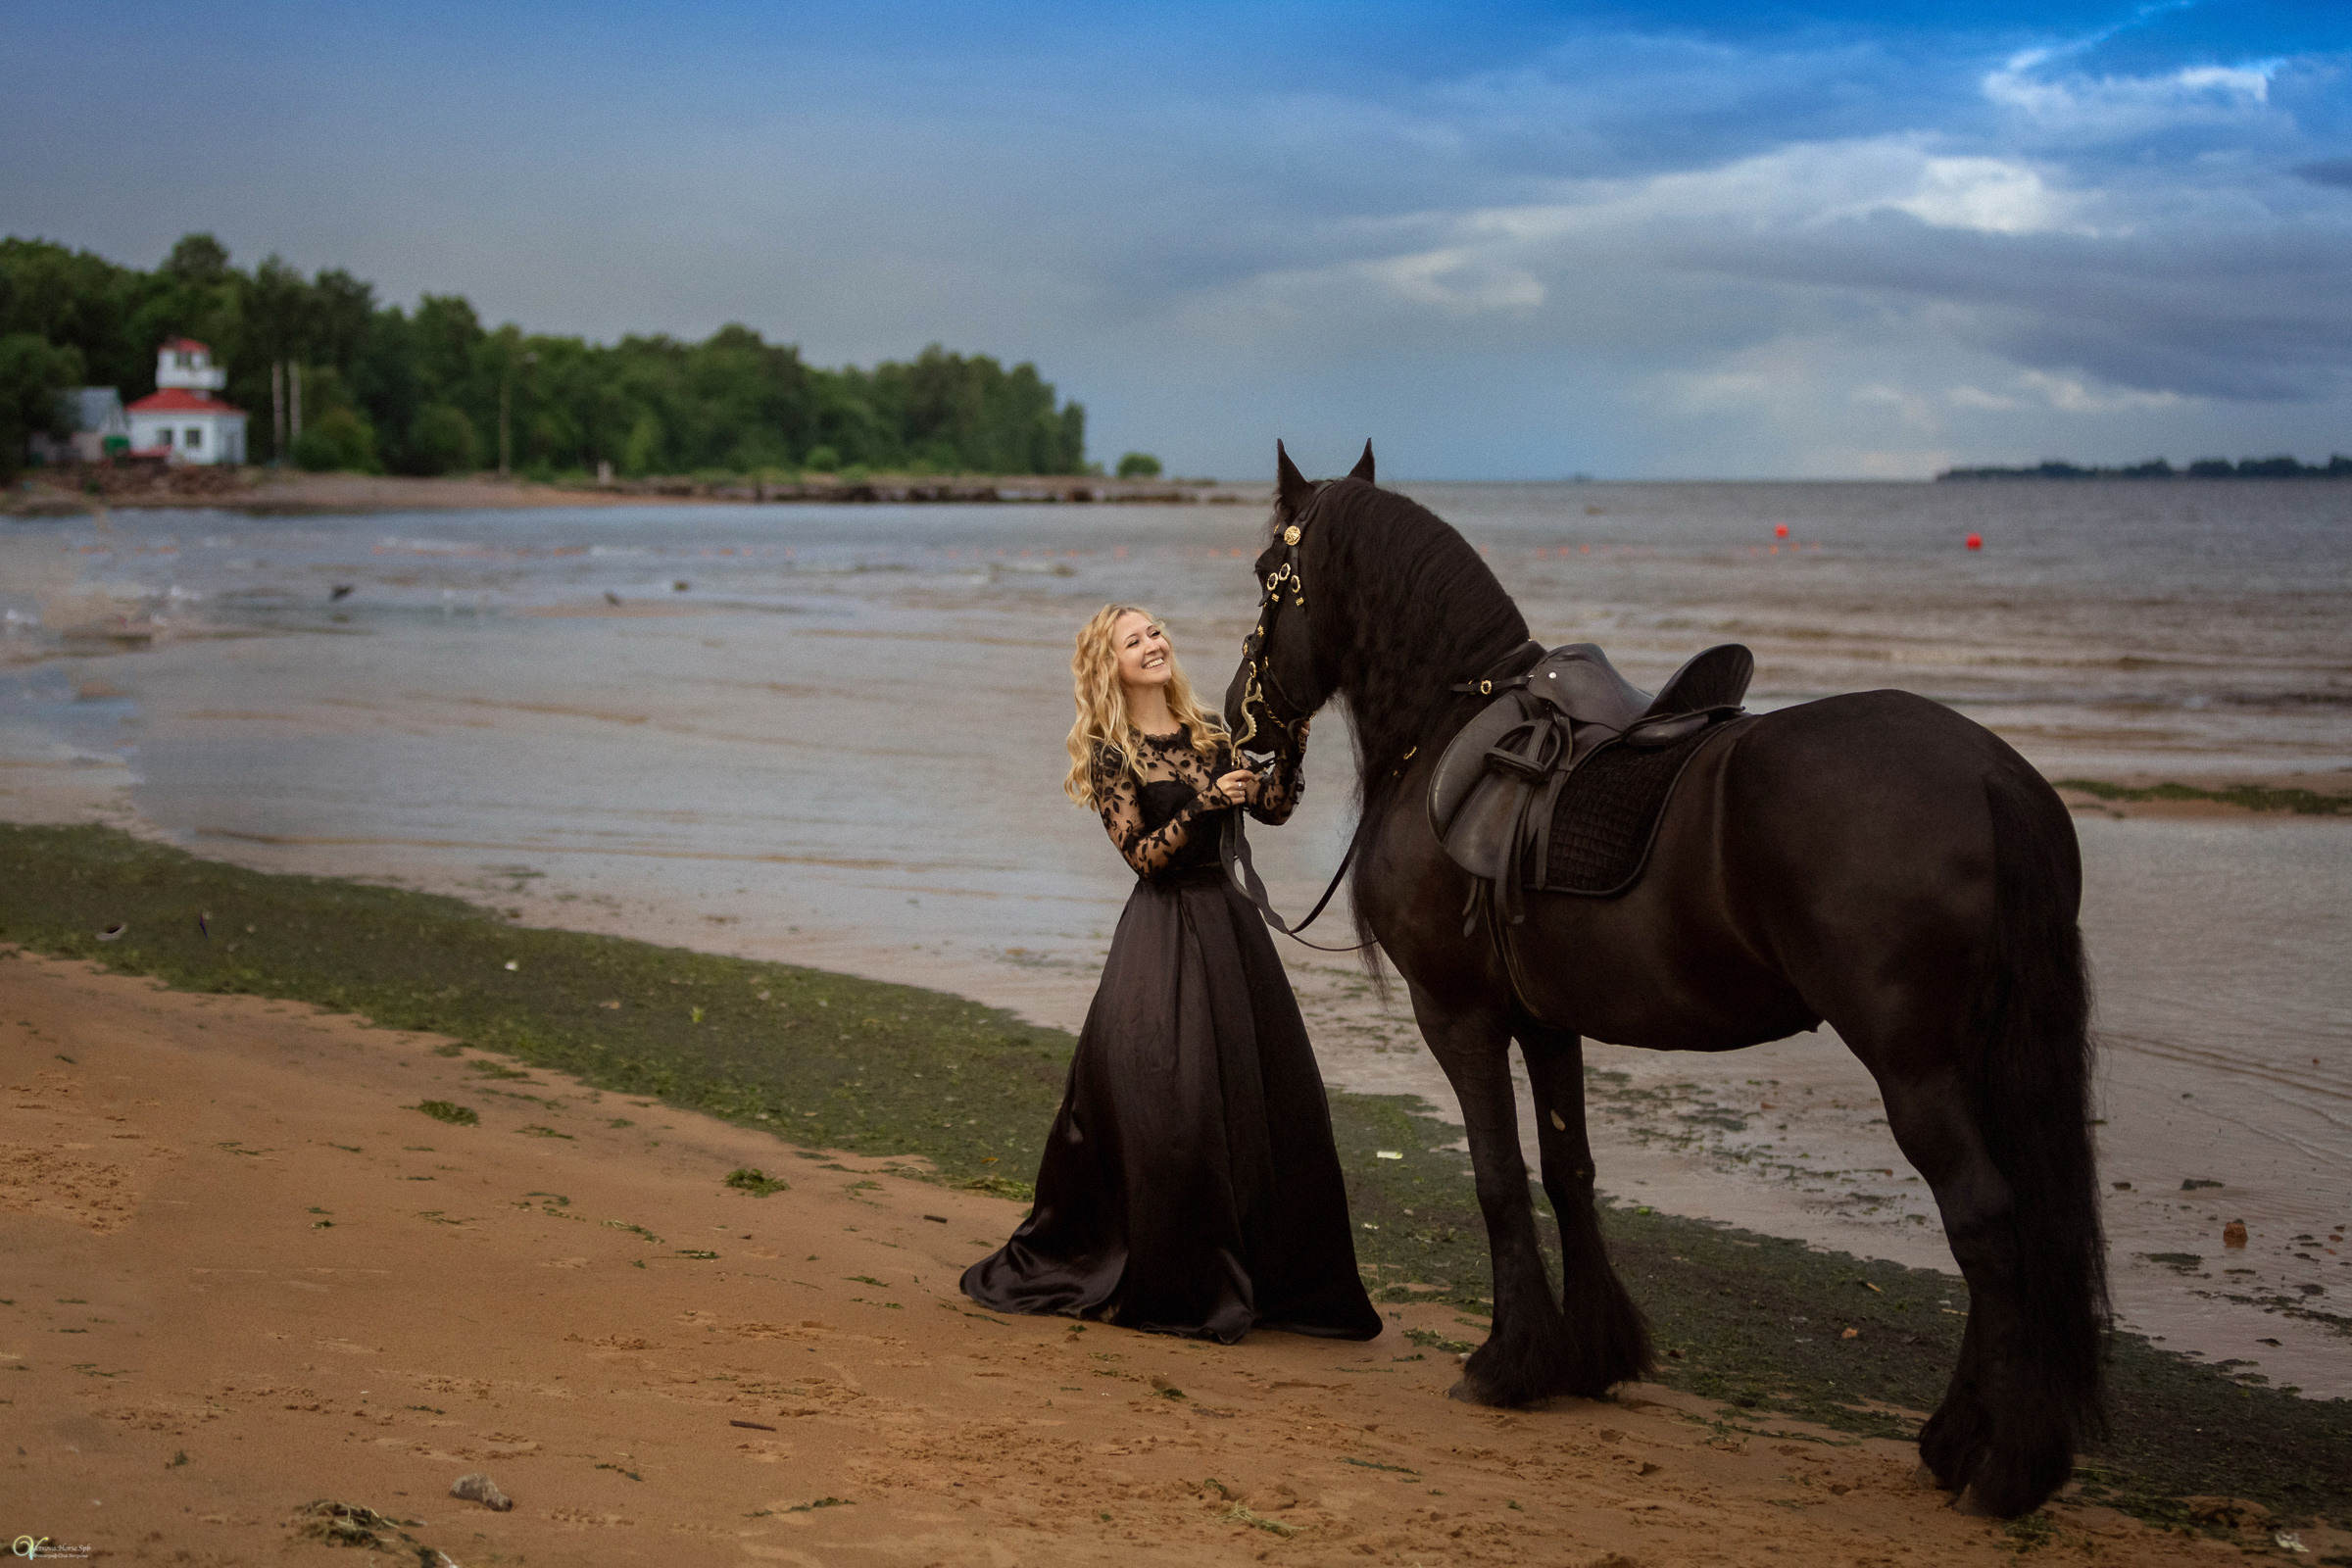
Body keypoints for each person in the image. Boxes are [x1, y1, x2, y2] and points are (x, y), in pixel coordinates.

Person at [960, 604, 1382, 1343]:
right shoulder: (1111, 755)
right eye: (1134, 639)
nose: (1153, 644)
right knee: (1175, 1112)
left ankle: (1273, 1281)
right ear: (1110, 664)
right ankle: (1183, 1278)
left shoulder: (1211, 736)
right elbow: (1143, 856)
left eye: (1155, 631)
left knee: (1263, 1106)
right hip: (1160, 939)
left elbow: (1275, 812)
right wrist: (1202, 804)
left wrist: (1287, 757)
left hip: (1231, 933)